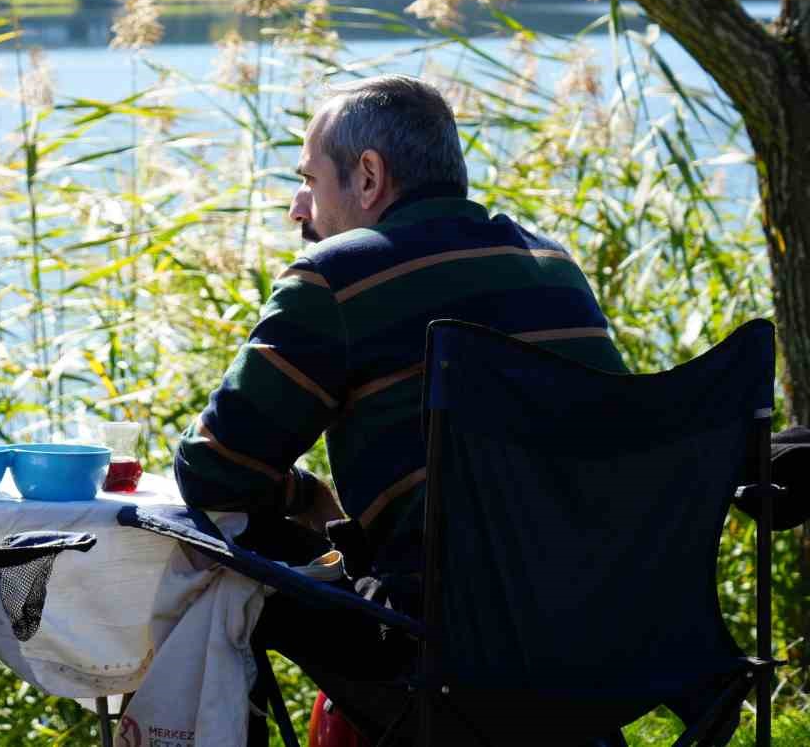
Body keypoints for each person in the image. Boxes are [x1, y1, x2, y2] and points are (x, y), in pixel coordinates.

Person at [173, 75, 626, 738]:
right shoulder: (554, 268)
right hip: (603, 634)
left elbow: (214, 473)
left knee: (221, 558)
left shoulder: (338, 278)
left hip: (443, 651)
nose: (300, 207)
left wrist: (295, 492)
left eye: (311, 180)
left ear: (368, 176)